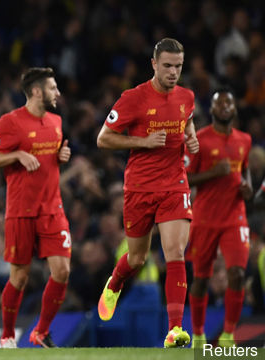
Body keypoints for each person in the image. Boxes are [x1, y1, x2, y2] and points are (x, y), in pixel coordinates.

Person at [95, 38, 199, 348]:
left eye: (178, 67)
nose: (173, 72)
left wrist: (191, 140)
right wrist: (142, 142)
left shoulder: (187, 97)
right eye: (167, 65)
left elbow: (188, 121)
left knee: (175, 253)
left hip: (174, 184)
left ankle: (174, 330)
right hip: (139, 188)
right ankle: (115, 282)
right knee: (137, 258)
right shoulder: (133, 98)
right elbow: (103, 139)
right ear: (154, 64)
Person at [0, 67, 72, 349]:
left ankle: (41, 332)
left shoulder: (56, 121)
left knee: (62, 271)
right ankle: (8, 335)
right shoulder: (11, 122)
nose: (58, 93)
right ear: (36, 91)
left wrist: (61, 156)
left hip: (52, 209)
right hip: (21, 210)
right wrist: (17, 154)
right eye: (53, 88)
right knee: (19, 277)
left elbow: (50, 158)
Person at [185, 90, 252, 348]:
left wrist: (247, 187)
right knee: (201, 278)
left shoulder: (245, 140)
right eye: (219, 103)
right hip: (205, 218)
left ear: (234, 109)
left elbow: (244, 171)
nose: (224, 107)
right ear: (211, 110)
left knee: (236, 273)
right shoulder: (198, 140)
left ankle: (228, 335)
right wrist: (213, 173)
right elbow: (185, 178)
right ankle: (199, 335)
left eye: (229, 103)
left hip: (235, 217)